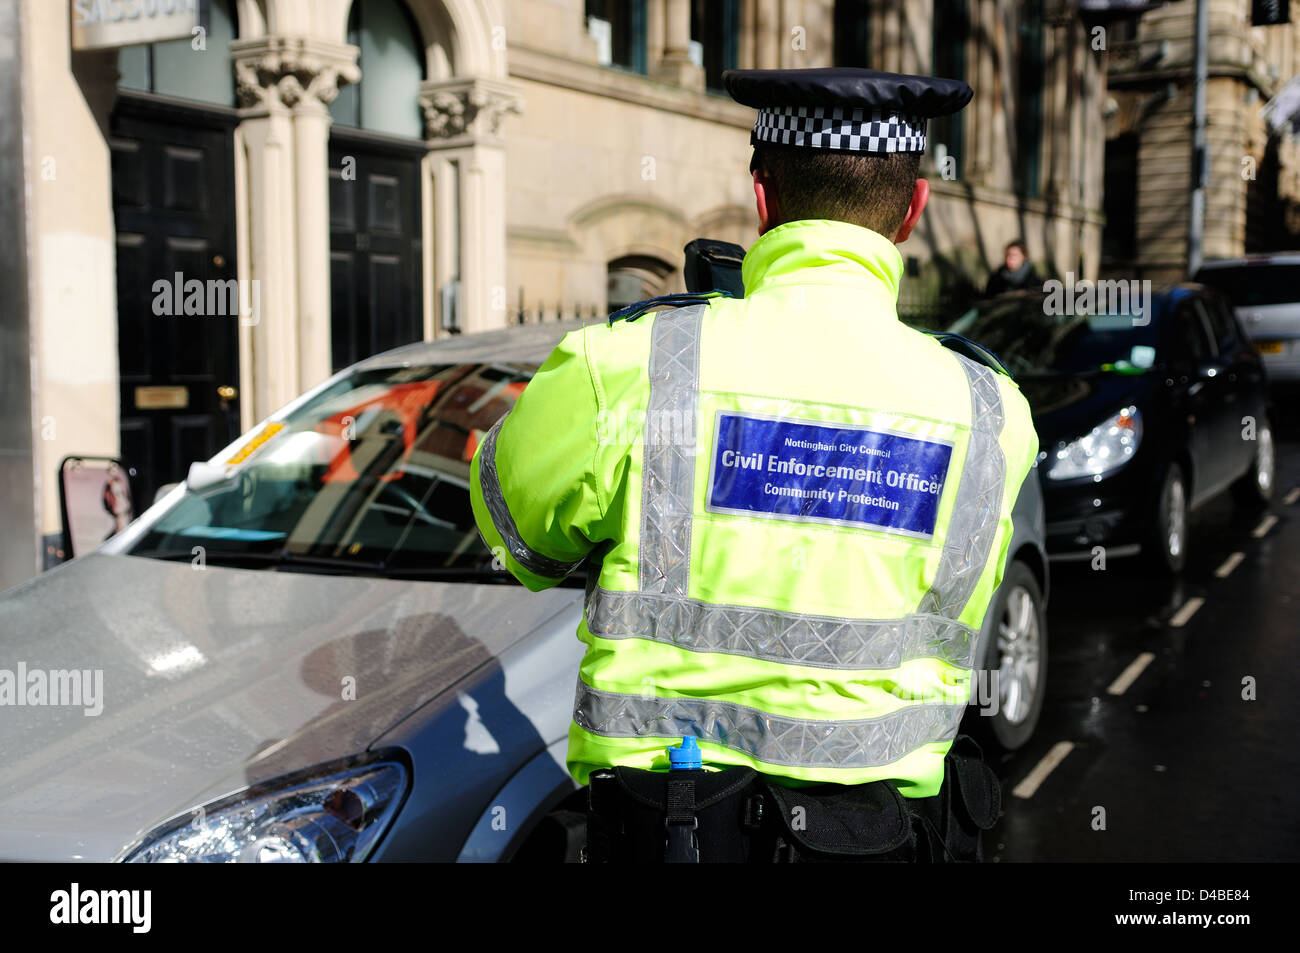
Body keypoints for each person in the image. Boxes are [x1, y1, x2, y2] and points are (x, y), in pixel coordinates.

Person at [469, 67, 1040, 862]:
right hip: (889, 840)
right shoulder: (994, 410)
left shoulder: (634, 361)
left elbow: (517, 533)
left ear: (762, 197)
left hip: (670, 829)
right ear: (914, 208)